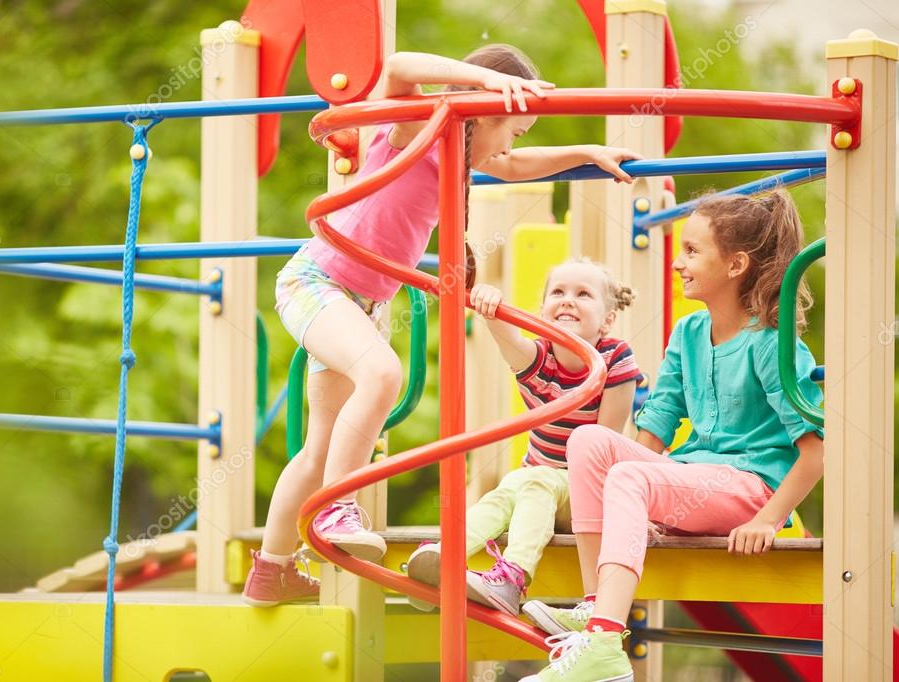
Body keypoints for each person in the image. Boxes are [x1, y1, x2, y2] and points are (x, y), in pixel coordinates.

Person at [244, 44, 641, 607]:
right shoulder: (418, 128)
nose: (512, 145)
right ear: (482, 109)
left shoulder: (462, 153)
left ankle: (272, 570)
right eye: (514, 130)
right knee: (382, 375)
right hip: (318, 283)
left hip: (363, 303)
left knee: (317, 449)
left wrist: (588, 152)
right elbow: (400, 66)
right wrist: (481, 80)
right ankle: (335, 508)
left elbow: (514, 164)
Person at [519, 190, 825, 682]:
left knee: (629, 479)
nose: (678, 263)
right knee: (588, 443)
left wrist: (769, 521)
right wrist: (630, 489)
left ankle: (603, 646)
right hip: (693, 477)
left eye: (691, 251)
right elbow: (660, 416)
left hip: (750, 490)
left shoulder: (771, 343)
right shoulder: (687, 332)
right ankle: (598, 602)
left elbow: (815, 453)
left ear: (735, 265)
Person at [405, 258, 642, 616]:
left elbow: (603, 445)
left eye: (583, 294)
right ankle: (446, 555)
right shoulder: (539, 359)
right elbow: (509, 340)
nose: (567, 300)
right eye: (558, 292)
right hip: (537, 481)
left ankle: (512, 580)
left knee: (536, 482)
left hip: (588, 493)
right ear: (543, 310)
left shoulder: (615, 358)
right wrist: (491, 309)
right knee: (503, 493)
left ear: (607, 320)